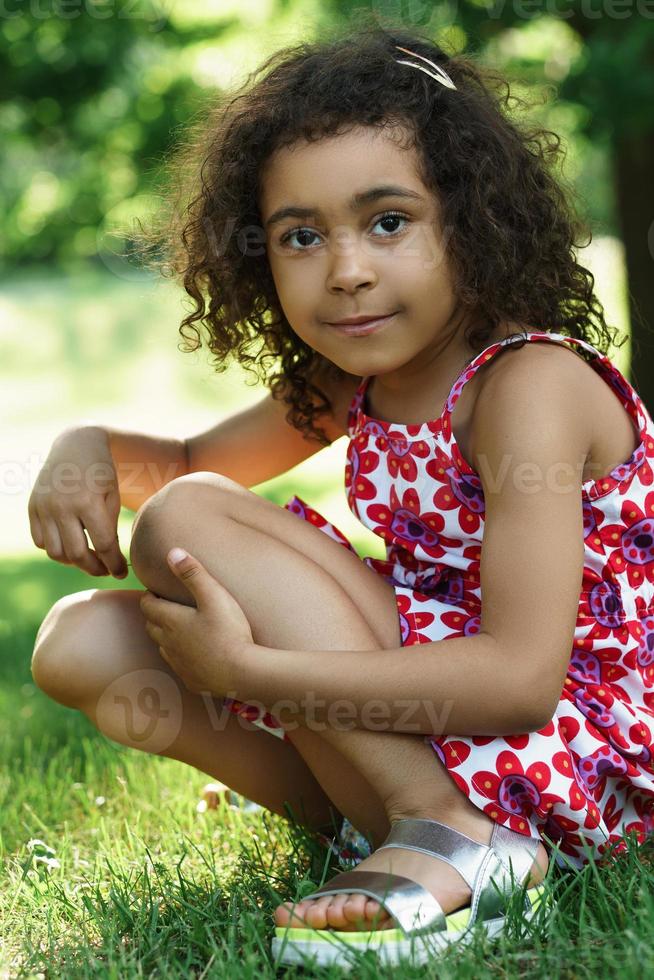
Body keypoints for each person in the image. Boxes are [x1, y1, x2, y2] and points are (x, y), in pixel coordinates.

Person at [29, 18, 654, 969]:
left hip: (571, 753)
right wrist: (84, 448)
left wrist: (251, 678)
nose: (348, 270)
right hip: (439, 717)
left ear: (471, 217)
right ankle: (383, 826)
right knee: (81, 642)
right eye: (301, 235)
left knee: (185, 521)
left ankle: (448, 832)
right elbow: (190, 452)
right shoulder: (348, 382)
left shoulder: (527, 384)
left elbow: (520, 682)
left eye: (389, 221)